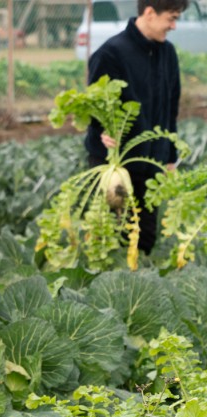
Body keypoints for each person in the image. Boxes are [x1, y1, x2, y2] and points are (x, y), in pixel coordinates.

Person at [86, 0, 185, 255]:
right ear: (150, 13)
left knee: (145, 240)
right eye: (171, 18)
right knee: (112, 237)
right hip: (116, 167)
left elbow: (170, 108)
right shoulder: (111, 54)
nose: (174, 26)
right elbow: (95, 105)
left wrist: (170, 157)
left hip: (151, 165)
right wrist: (101, 131)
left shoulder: (168, 54)